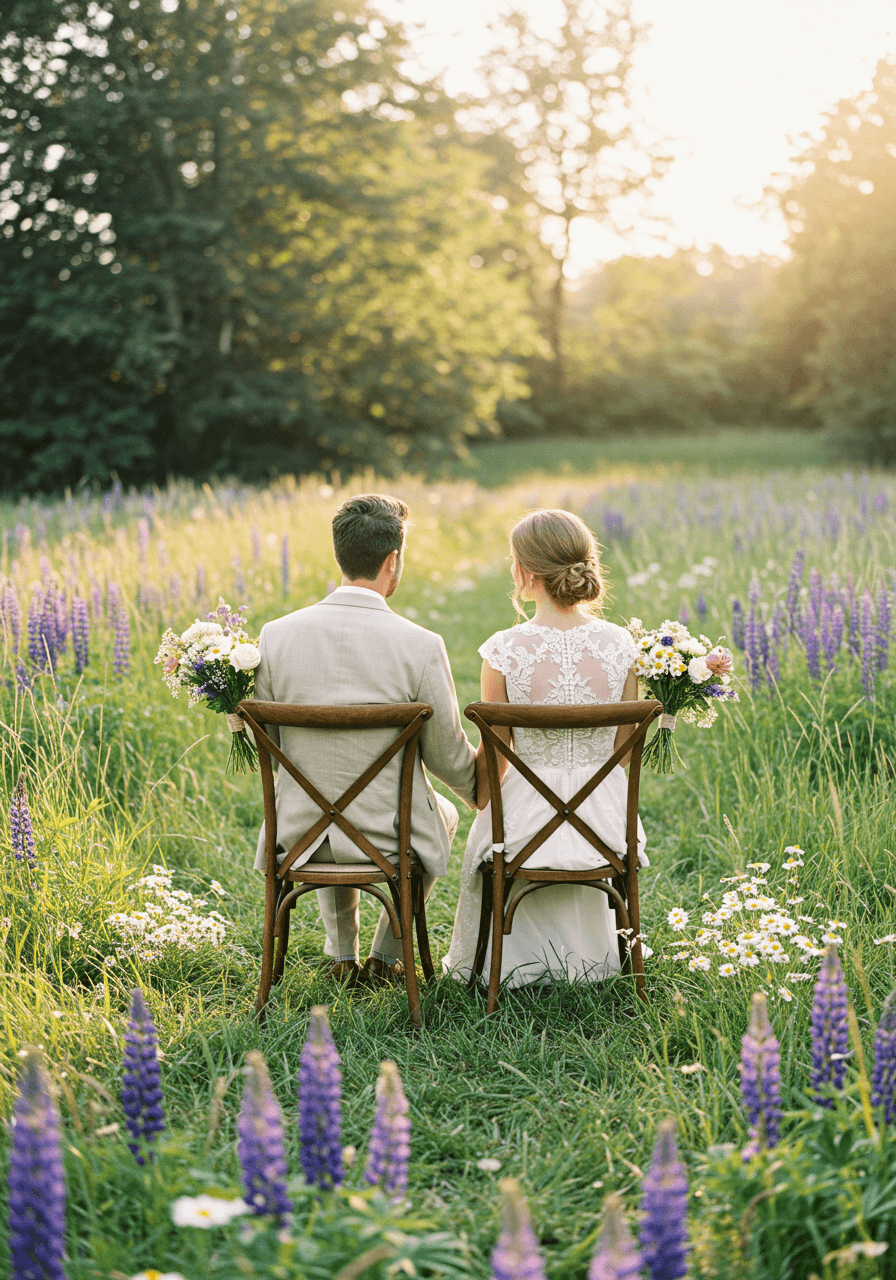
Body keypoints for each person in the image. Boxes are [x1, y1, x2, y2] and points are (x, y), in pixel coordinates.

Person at [253, 493, 476, 984]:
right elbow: (446, 754)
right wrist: (483, 791)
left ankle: (342, 958)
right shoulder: (420, 645)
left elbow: (265, 746)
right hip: (385, 838)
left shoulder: (275, 636)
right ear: (393, 560)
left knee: (329, 796)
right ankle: (387, 956)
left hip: (299, 834)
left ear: (340, 554)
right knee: (449, 812)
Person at [443, 508, 646, 989]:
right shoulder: (622, 647)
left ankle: (502, 968)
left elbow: (495, 755)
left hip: (525, 825)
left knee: (487, 829)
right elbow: (620, 752)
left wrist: (479, 799)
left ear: (525, 572)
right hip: (604, 819)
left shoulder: (504, 650)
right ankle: (597, 963)